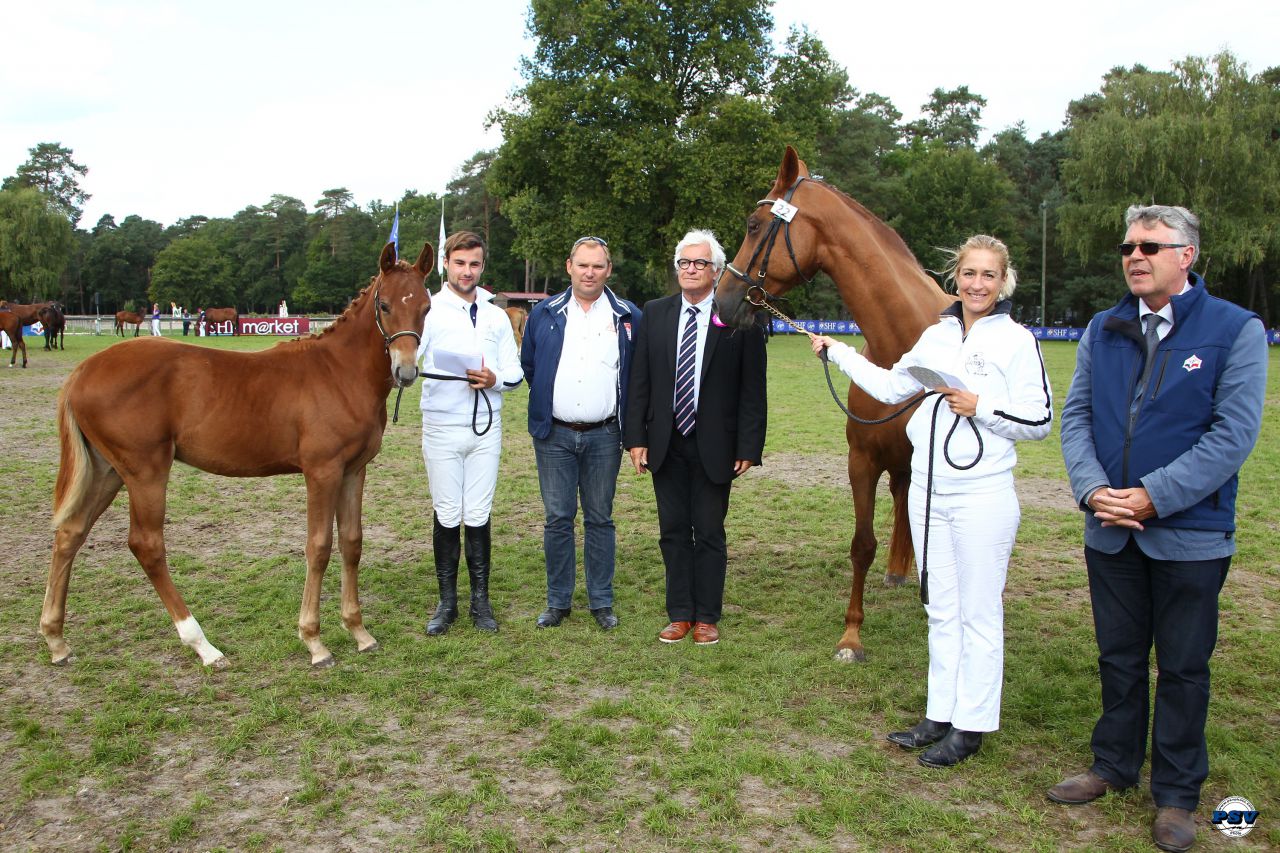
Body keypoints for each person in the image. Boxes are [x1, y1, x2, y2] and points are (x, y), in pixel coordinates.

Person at [1051, 205, 1266, 852]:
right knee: (1117, 656)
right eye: (1128, 247)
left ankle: (1176, 794)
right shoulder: (1103, 326)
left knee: (1183, 667)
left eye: (1149, 245)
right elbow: (1077, 415)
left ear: (1186, 255)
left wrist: (1154, 497)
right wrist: (1092, 489)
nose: (1135, 256)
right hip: (1109, 527)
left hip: (1190, 535)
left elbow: (1233, 434)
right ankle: (1113, 764)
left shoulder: (1235, 328)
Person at [811, 234, 1053, 768]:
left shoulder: (1017, 341)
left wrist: (980, 406)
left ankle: (971, 726)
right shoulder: (936, 336)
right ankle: (938, 715)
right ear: (955, 278)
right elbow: (890, 387)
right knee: (940, 609)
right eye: (969, 273)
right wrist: (839, 352)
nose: (977, 284)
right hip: (927, 490)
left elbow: (1040, 419)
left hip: (982, 493)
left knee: (978, 614)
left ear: (1003, 282)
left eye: (988, 275)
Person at [623, 230, 767, 647]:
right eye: (684, 262)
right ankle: (680, 614)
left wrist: (749, 446)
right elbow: (640, 380)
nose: (690, 269)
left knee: (707, 531)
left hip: (716, 445)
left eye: (700, 263)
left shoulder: (738, 317)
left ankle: (706, 616)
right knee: (671, 531)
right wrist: (636, 438)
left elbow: (752, 389)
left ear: (716, 270)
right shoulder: (655, 313)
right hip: (665, 442)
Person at [522, 236, 639, 631]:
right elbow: (531, 366)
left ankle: (601, 601)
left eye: (598, 266)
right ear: (569, 266)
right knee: (557, 518)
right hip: (553, 435)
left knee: (600, 518)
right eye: (583, 265)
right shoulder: (544, 313)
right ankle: (558, 602)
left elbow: (637, 375)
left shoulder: (628, 315)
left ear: (609, 270)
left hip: (605, 435)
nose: (590, 273)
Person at [417, 231, 523, 635]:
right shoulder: (428, 310)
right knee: (447, 512)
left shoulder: (496, 315)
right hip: (442, 424)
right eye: (460, 263)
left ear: (482, 266)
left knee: (478, 513)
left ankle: (481, 601)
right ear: (446, 263)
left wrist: (495, 378)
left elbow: (514, 371)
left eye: (474, 264)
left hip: (486, 427)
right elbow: (409, 357)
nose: (467, 271)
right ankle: (447, 602)